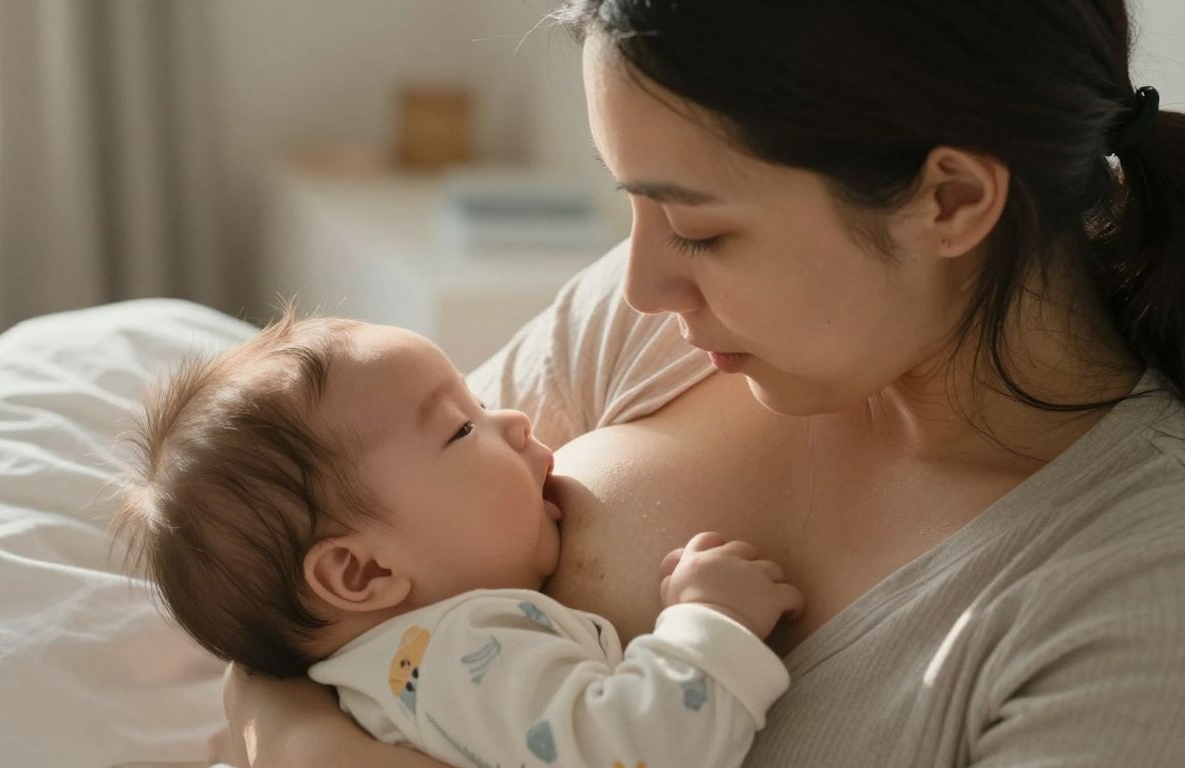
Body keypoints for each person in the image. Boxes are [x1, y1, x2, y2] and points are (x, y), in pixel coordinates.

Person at [224, 1, 1185, 765]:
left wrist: (306, 744)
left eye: (701, 229)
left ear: (952, 199)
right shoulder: (657, 330)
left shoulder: (1133, 608)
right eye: (632, 202)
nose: (640, 284)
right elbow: (283, 569)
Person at [114, 314, 804, 768]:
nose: (517, 419)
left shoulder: (397, 677)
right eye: (462, 428)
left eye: (477, 401)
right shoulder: (456, 653)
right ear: (360, 572)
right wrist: (710, 622)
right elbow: (629, 752)